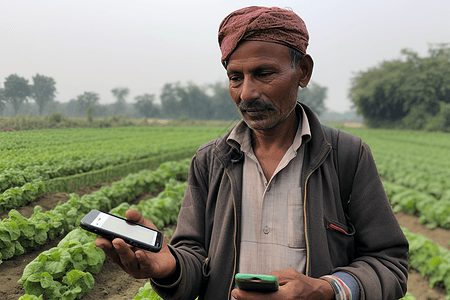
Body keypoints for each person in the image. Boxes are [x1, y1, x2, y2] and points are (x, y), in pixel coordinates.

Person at [95, 6, 409, 300]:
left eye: (264, 73)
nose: (247, 93)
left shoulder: (347, 156)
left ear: (303, 71)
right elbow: (193, 259)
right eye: (236, 77)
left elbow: (389, 262)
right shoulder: (210, 160)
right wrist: (170, 268)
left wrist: (326, 289)